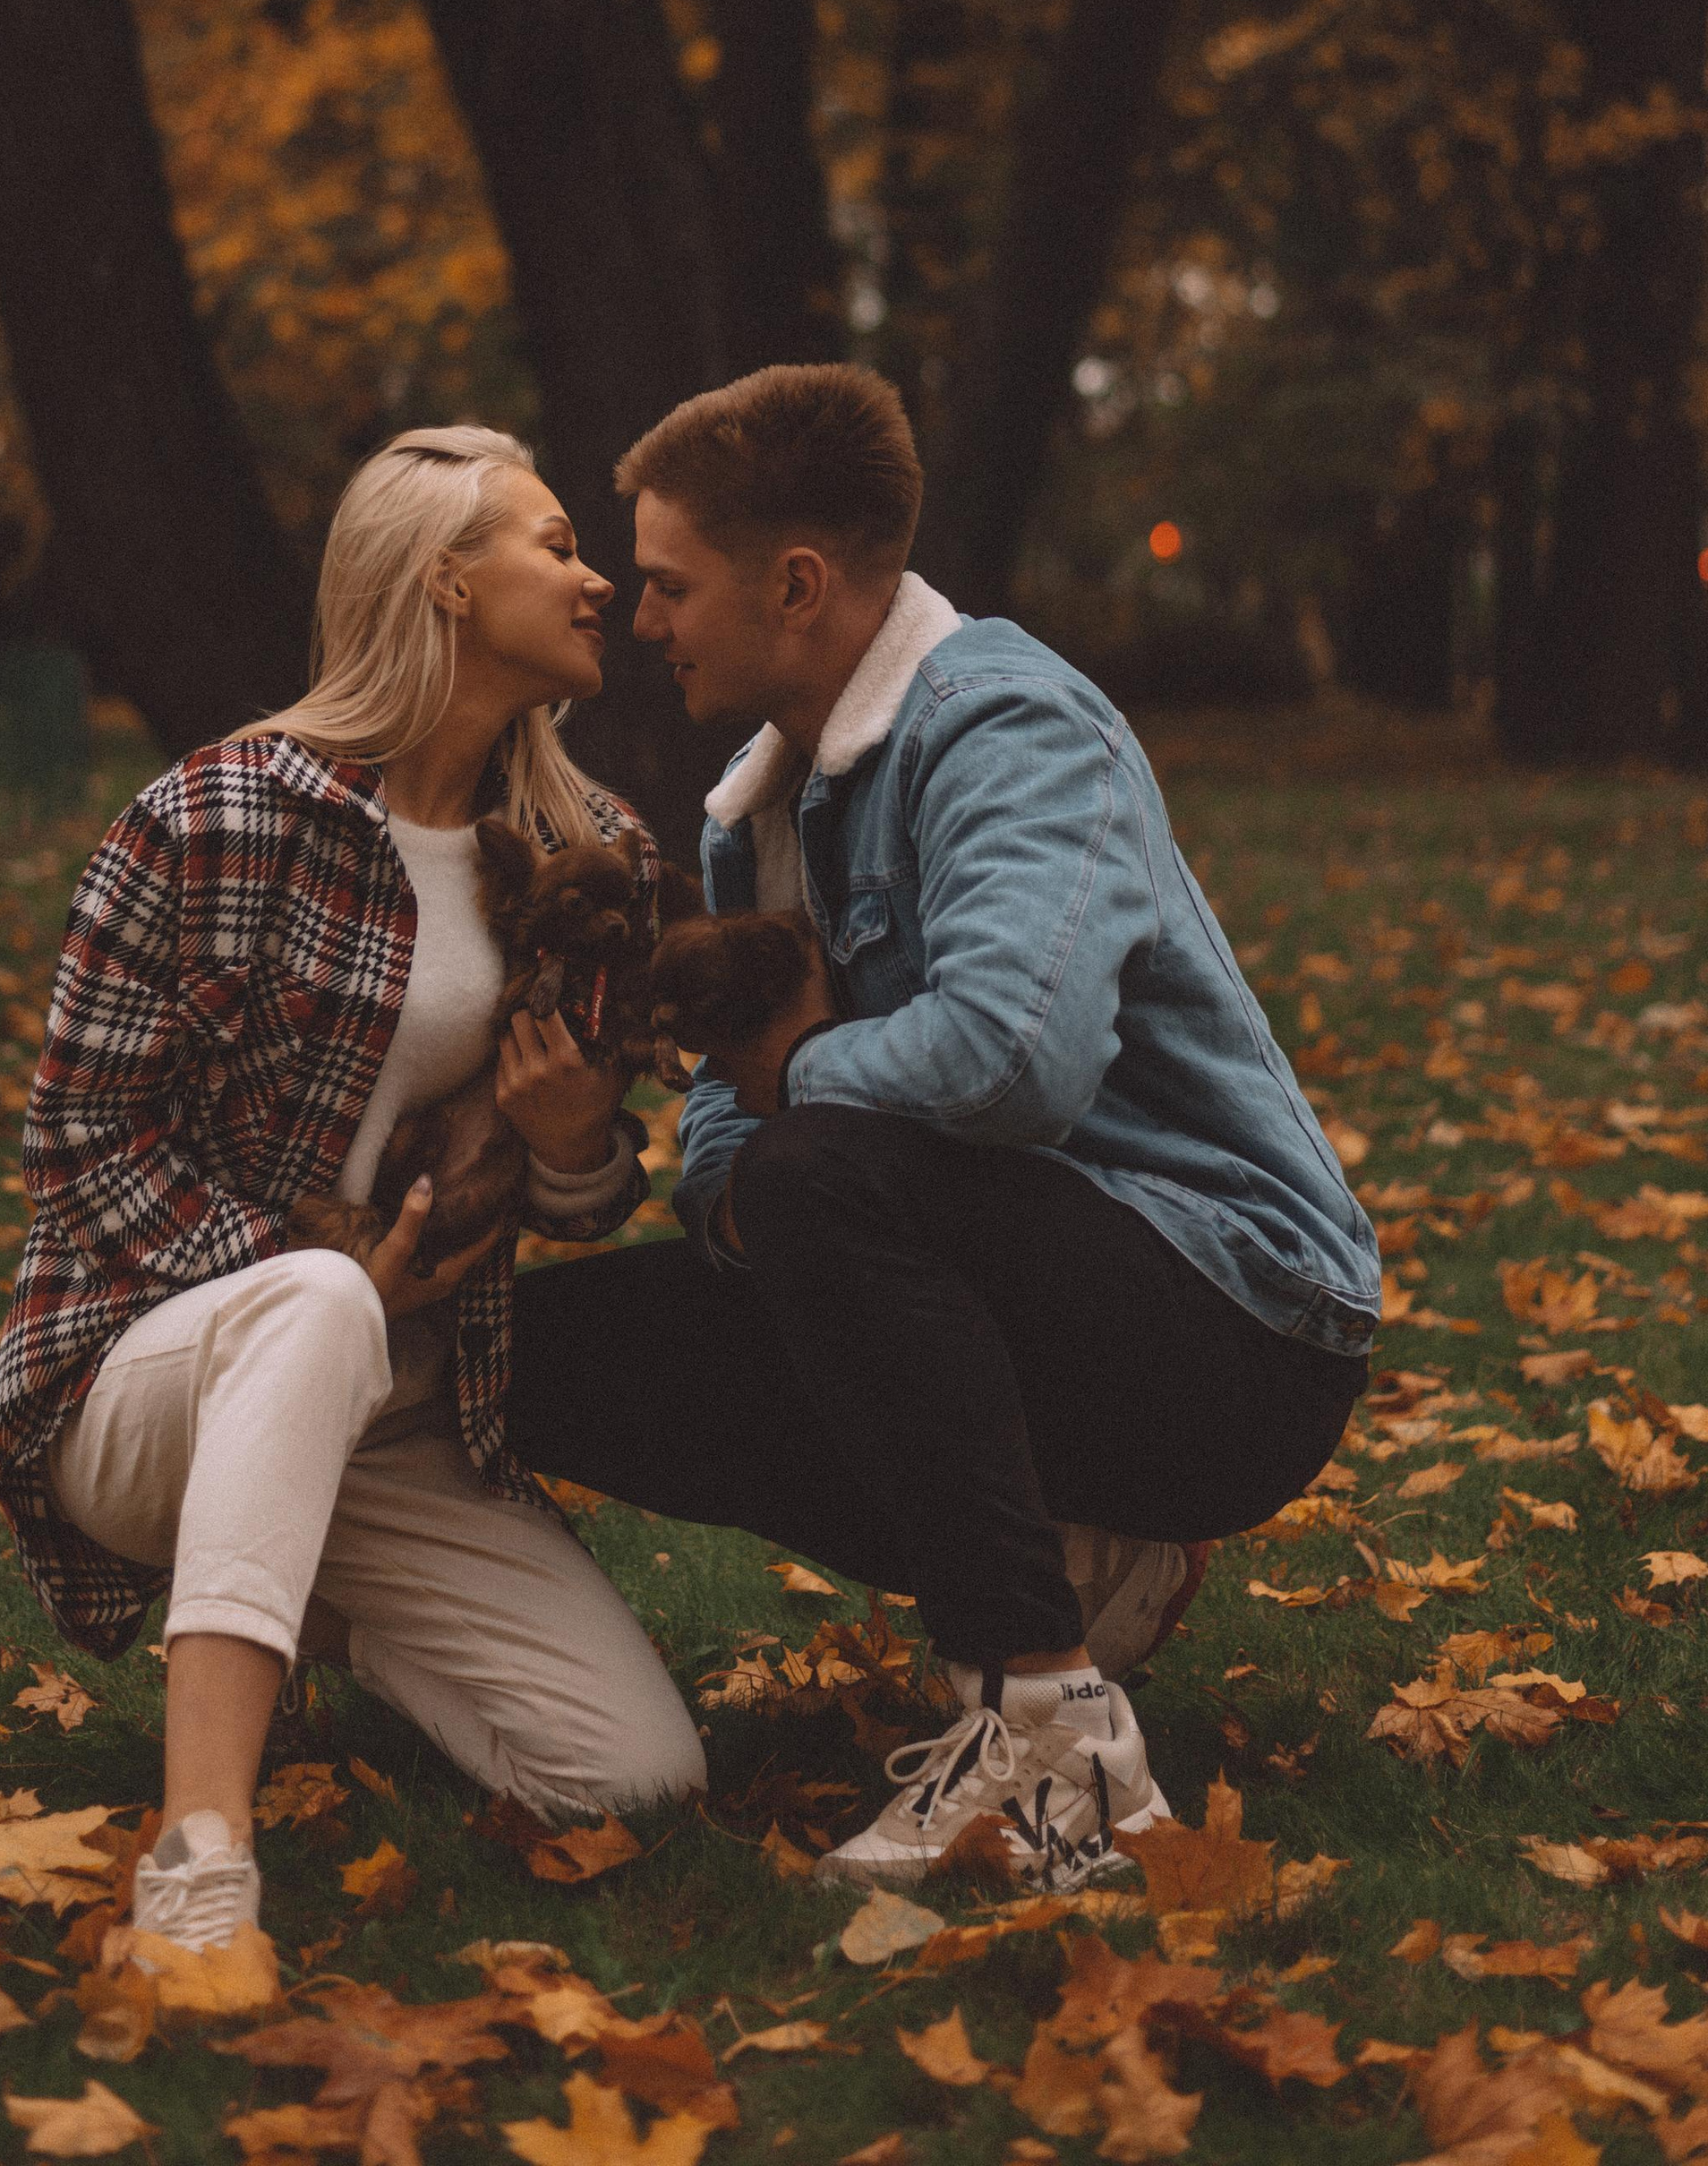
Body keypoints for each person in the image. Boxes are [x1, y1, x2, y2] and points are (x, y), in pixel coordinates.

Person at [507, 364, 1379, 1891]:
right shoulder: (757, 808)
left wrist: (784, 1097)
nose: (641, 620)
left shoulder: (1013, 728)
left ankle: (1053, 1736)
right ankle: (1081, 1560)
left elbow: (1008, 1063)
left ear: (795, 582)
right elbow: (726, 1132)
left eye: (667, 584)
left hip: (1239, 1333)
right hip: (1006, 1287)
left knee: (818, 1175)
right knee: (539, 1345)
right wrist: (746, 1175)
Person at [0, 429, 705, 1954]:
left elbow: (577, 1203)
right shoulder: (216, 814)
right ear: (445, 576)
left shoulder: (594, 854)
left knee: (629, 1772)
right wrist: (336, 1276)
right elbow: (79, 1138)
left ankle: (297, 1579)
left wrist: (573, 1139)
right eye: (556, 543)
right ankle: (200, 1866)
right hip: (154, 1376)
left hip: (407, 1424)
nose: (596, 577)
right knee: (310, 1301)